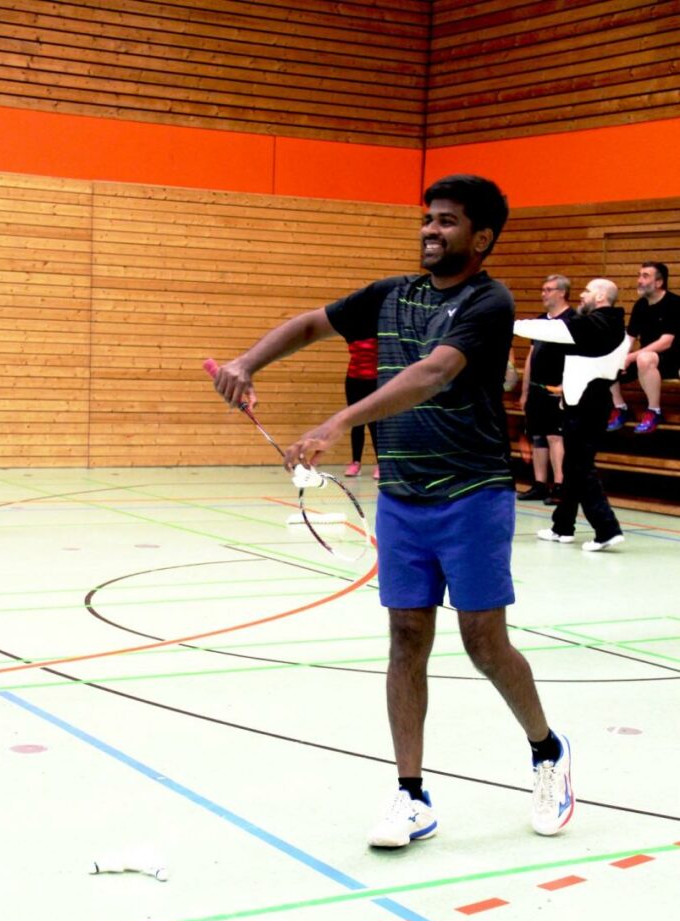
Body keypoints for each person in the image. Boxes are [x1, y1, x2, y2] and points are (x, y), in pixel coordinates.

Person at [211, 174, 574, 846]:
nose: (431, 231)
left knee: (484, 644)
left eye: (447, 222)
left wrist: (333, 424)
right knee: (406, 639)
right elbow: (311, 323)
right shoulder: (390, 294)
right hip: (403, 498)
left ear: (482, 237)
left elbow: (432, 373)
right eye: (428, 220)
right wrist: (247, 361)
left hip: (472, 494)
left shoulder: (488, 301)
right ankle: (411, 794)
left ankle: (547, 750)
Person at [514, 279, 629, 551]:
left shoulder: (598, 323)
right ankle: (562, 527)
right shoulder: (607, 325)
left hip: (589, 405)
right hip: (583, 402)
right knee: (572, 468)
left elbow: (553, 329)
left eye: (587, 291)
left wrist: (508, 323)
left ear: (600, 296)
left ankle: (606, 529)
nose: (582, 294)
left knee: (580, 468)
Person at [517, 275, 574, 504]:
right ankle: (540, 484)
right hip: (537, 388)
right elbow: (532, 356)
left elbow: (578, 356)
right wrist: (525, 391)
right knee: (538, 435)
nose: (544, 294)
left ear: (562, 292)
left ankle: (560, 485)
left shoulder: (573, 320)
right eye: (542, 289)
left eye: (548, 289)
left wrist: (567, 385)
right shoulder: (541, 321)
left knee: (555, 436)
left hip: (558, 389)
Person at [607, 262, 680, 434]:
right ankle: (620, 408)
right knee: (608, 358)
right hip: (645, 361)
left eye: (645, 276)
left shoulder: (675, 303)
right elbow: (630, 337)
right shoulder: (641, 305)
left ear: (659, 283)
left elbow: (666, 342)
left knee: (644, 358)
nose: (639, 280)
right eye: (639, 275)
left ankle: (654, 411)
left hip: (672, 360)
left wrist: (631, 358)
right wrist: (619, 358)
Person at [344, 338, 380, 479]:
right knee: (356, 423)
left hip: (374, 381)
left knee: (374, 424)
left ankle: (380, 464)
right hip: (354, 380)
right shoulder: (353, 330)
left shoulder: (378, 329)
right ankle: (355, 463)